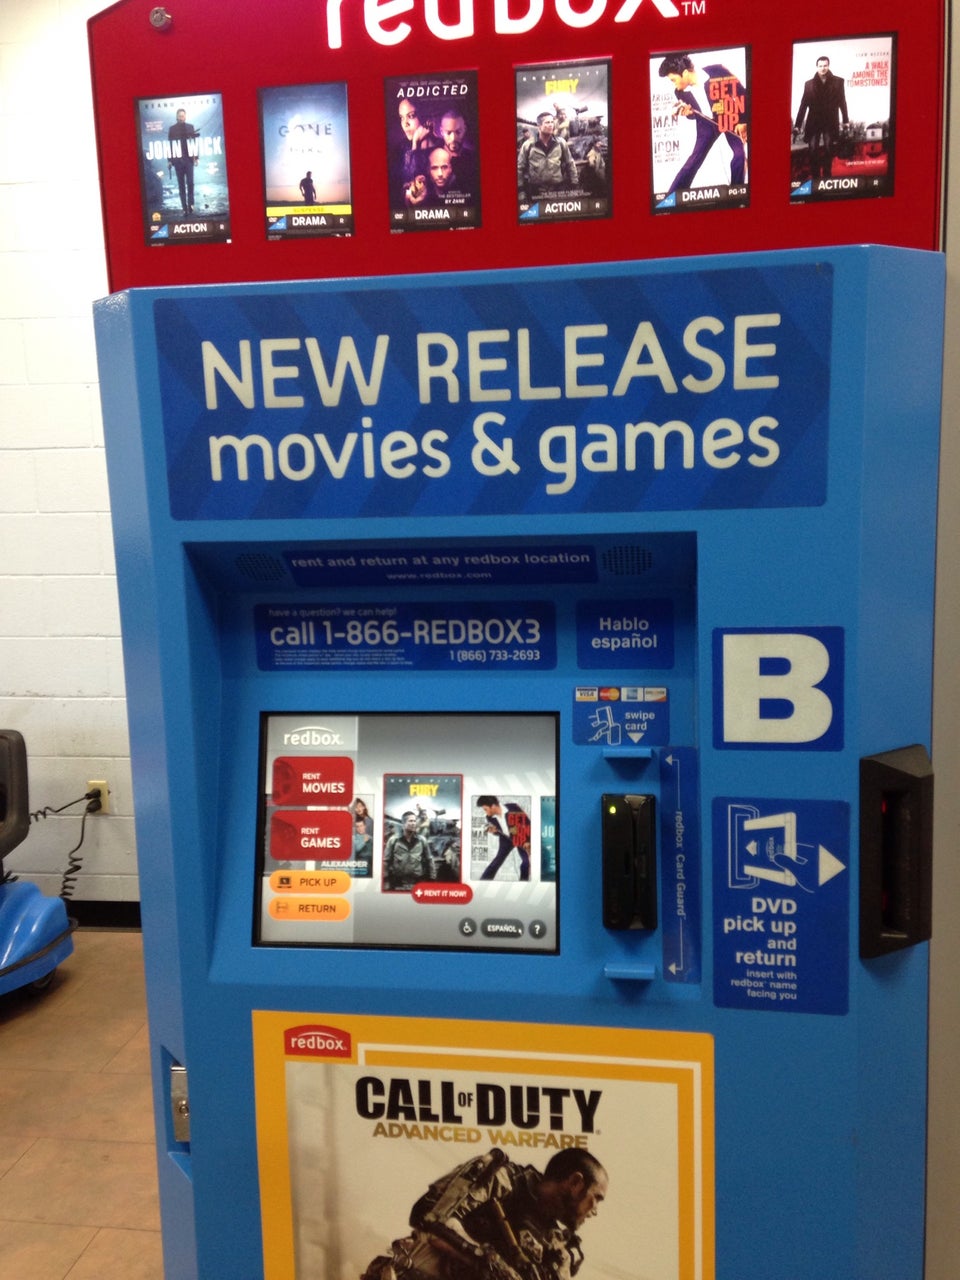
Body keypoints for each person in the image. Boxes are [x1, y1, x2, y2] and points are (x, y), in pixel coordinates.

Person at [362, 1147, 608, 1280]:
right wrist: (490, 1263)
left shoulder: (557, 1247)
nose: (595, 1210)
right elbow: (431, 1220)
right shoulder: (502, 1179)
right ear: (575, 1183)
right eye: (596, 1198)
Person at [657, 53, 747, 194]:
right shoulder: (680, 92)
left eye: (673, 80)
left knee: (739, 155)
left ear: (684, 73)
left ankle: (737, 193)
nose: (674, 85)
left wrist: (743, 121)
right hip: (705, 124)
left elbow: (742, 93)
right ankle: (670, 198)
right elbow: (694, 114)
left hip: (728, 117)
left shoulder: (718, 71)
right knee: (693, 162)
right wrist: (688, 113)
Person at [793, 55, 849, 181]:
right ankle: (816, 176)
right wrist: (797, 125)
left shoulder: (838, 82)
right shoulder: (808, 84)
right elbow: (803, 105)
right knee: (812, 149)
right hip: (814, 122)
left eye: (825, 65)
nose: (823, 68)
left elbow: (842, 102)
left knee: (829, 148)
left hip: (830, 121)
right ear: (817, 67)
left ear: (828, 66)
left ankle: (827, 175)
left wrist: (846, 120)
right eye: (820, 66)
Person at [517, 112, 578, 201]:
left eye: (552, 122)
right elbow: (520, 168)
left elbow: (570, 163)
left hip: (557, 189)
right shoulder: (528, 145)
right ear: (539, 126)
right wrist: (520, 190)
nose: (551, 125)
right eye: (547, 122)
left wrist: (574, 184)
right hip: (536, 191)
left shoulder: (560, 143)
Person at [477, 795, 530, 881]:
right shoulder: (489, 818)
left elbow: (527, 823)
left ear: (493, 806)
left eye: (485, 809)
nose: (485, 812)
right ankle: (483, 881)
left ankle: (523, 882)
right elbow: (500, 831)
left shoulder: (513, 807)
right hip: (506, 839)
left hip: (520, 837)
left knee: (526, 862)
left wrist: (527, 840)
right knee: (497, 861)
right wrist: (495, 832)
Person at [383, 812, 432, 891]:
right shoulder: (393, 840)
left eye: (414, 821)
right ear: (403, 823)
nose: (413, 823)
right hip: (398, 881)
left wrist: (432, 878)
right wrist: (386, 880)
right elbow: (386, 861)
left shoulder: (422, 840)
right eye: (410, 821)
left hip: (417, 881)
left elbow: (429, 859)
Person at [438, 107, 477, 192]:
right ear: (441, 131)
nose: (453, 138)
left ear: (465, 129)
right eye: (448, 133)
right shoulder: (432, 158)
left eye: (458, 132)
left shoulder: (475, 159)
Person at [168, 107, 199, 214]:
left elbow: (194, 143)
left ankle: (191, 205)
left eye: (183, 116)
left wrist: (196, 158)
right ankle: (184, 207)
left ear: (185, 116)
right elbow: (170, 146)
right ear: (177, 117)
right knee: (181, 184)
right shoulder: (172, 129)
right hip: (178, 161)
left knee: (190, 183)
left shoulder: (190, 127)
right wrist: (170, 160)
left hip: (189, 160)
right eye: (179, 116)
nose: (181, 117)